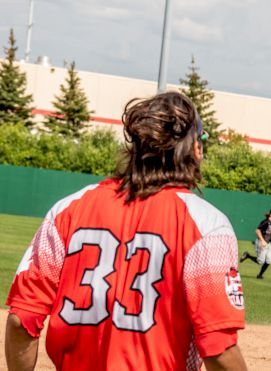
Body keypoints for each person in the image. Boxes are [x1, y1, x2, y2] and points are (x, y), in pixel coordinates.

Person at [4, 92, 248, 371]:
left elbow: (21, 320)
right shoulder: (207, 225)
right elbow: (217, 348)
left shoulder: (68, 209)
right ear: (196, 148)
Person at [240, 208, 271, 279]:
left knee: (269, 260)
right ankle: (247, 255)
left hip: (268, 244)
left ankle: (260, 275)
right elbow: (257, 230)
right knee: (260, 261)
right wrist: (262, 240)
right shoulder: (265, 222)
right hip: (261, 243)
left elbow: (269, 234)